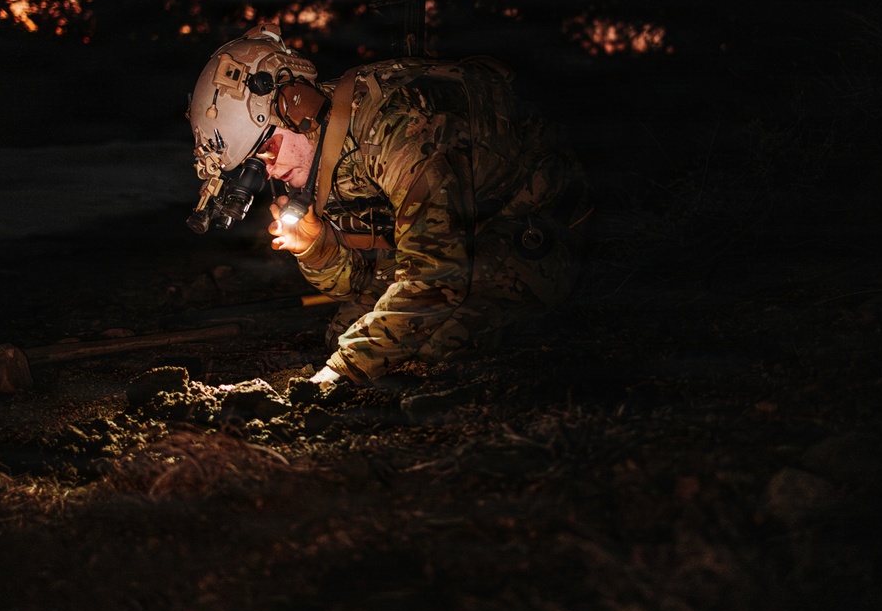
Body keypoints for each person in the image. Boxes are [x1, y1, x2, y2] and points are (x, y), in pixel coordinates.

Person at [187, 23, 592, 397]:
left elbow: (437, 277)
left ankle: (554, 328)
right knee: (347, 332)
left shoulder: (396, 126)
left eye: (266, 149)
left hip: (530, 232)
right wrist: (318, 249)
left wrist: (339, 373)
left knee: (432, 341)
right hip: (464, 236)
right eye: (255, 166)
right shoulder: (321, 153)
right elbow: (355, 283)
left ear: (296, 104)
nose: (270, 169)